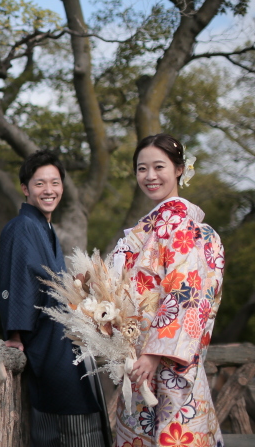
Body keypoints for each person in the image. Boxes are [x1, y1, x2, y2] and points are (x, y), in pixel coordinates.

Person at [112, 134, 225, 446]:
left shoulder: (178, 223)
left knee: (169, 434)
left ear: (179, 169)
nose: (149, 176)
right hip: (141, 361)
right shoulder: (152, 224)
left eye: (158, 166)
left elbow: (185, 293)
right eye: (141, 168)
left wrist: (151, 354)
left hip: (163, 360)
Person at [0, 150, 109, 447]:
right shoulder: (22, 227)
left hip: (63, 342)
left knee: (74, 421)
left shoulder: (45, 228)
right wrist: (15, 333)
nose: (49, 190)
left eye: (55, 183)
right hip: (48, 345)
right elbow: (16, 279)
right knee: (67, 425)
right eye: (39, 184)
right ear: (25, 188)